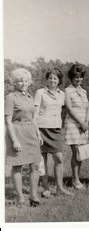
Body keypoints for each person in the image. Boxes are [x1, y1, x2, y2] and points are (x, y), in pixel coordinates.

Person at [5, 68, 43, 207]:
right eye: (20, 80)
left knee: (35, 165)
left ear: (29, 82)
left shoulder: (29, 97)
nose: (23, 83)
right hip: (17, 132)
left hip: (31, 133)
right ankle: (20, 197)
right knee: (17, 166)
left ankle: (33, 196)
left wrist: (38, 134)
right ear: (14, 83)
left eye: (26, 80)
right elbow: (8, 121)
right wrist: (14, 140)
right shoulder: (10, 97)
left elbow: (33, 118)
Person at [34, 68, 73, 197]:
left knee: (59, 158)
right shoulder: (40, 93)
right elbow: (35, 115)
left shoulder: (62, 95)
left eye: (55, 78)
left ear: (59, 81)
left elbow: (70, 110)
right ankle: (46, 188)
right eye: (50, 78)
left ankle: (59, 188)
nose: (52, 80)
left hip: (55, 130)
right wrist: (37, 132)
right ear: (47, 79)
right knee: (42, 161)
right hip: (41, 129)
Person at [64, 64, 89, 190]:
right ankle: (75, 181)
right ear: (71, 77)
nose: (78, 79)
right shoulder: (67, 91)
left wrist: (87, 122)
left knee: (81, 153)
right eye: (76, 77)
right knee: (76, 152)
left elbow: (87, 107)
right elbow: (69, 109)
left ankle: (77, 178)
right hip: (73, 125)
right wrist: (81, 122)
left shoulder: (84, 91)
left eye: (80, 77)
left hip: (83, 126)